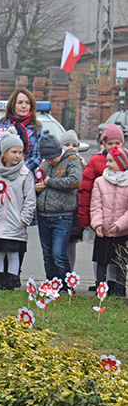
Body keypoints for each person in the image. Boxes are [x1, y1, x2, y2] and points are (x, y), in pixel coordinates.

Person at [0, 128, 36, 290]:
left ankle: (10, 284)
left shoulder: (25, 174)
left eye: (20, 152)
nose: (18, 155)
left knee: (12, 254)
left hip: (15, 223)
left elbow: (30, 200)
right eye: (14, 152)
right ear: (5, 153)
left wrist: (23, 219)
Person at [79, 124, 124, 291]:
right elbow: (86, 190)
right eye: (110, 143)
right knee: (100, 253)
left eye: (117, 143)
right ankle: (100, 283)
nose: (113, 147)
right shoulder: (96, 161)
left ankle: (114, 284)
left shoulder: (125, 161)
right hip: (100, 215)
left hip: (120, 220)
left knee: (116, 254)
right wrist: (86, 217)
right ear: (103, 143)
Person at [35, 132, 82, 286]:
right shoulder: (44, 164)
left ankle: (65, 286)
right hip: (43, 215)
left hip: (62, 216)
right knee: (47, 255)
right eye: (46, 158)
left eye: (52, 158)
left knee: (59, 254)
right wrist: (36, 188)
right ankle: (52, 284)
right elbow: (38, 180)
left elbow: (75, 182)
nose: (49, 161)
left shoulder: (71, 161)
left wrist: (50, 182)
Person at [90, 146, 128, 297]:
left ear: (122, 163)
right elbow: (96, 205)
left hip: (122, 231)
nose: (107, 164)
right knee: (102, 261)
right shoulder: (100, 182)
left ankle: (119, 290)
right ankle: (101, 289)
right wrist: (98, 224)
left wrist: (120, 225)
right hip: (104, 231)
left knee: (120, 263)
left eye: (111, 161)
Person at [0, 88, 42, 174]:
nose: (24, 106)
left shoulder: (37, 127)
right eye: (20, 102)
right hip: (2, 173)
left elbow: (37, 156)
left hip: (26, 175)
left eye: (27, 103)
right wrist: (5, 169)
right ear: (12, 105)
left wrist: (20, 170)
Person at [60, 130, 86, 273]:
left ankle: (69, 275)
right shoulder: (56, 165)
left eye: (74, 145)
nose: (71, 148)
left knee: (71, 244)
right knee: (58, 247)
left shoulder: (83, 165)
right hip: (60, 210)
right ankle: (58, 276)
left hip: (75, 211)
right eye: (67, 144)